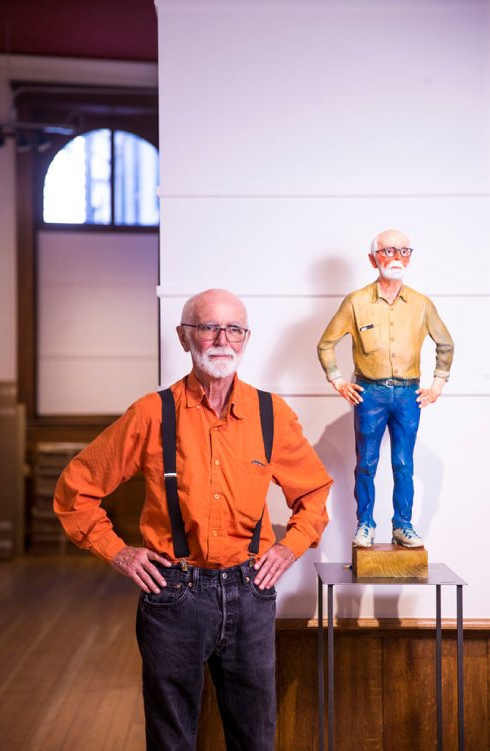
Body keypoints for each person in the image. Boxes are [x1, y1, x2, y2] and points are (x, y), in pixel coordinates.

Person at [54, 288, 332, 751]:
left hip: (251, 594)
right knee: (171, 739)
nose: (222, 338)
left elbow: (315, 493)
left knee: (255, 738)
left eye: (234, 329)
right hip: (173, 598)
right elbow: (74, 490)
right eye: (208, 327)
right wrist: (118, 552)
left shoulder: (271, 414)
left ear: (246, 339)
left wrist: (289, 548)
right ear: (186, 338)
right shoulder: (151, 413)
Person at [317, 229, 453, 549]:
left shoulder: (421, 304)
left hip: (408, 395)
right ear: (373, 258)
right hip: (370, 394)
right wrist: (337, 380)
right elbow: (326, 344)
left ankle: (402, 525)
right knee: (367, 461)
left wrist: (437, 384)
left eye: (404, 251)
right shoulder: (356, 302)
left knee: (404, 462)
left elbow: (445, 344)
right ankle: (365, 524)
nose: (397, 257)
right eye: (389, 251)